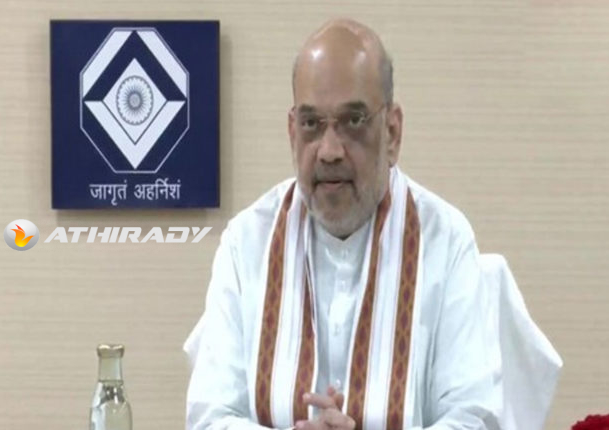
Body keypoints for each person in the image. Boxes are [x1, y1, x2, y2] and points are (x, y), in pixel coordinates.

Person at [184, 18, 503, 430]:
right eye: (311, 124)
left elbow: (474, 417)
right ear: (292, 132)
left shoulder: (445, 240)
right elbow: (209, 417)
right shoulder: (247, 242)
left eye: (353, 121)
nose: (329, 151)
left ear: (392, 132)